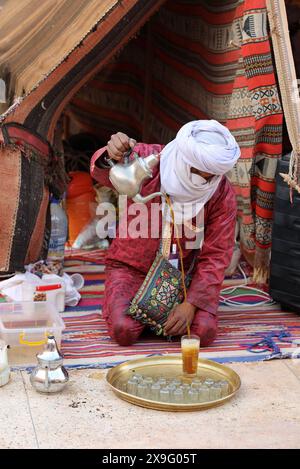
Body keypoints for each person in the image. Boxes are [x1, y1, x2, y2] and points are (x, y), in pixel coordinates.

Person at [90, 120, 240, 346]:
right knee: (124, 330)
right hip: (131, 270)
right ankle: (151, 320)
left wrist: (191, 304)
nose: (202, 180)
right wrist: (111, 153)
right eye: (198, 171)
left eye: (211, 175)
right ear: (184, 158)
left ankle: (157, 320)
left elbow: (217, 254)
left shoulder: (220, 192)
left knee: (203, 332)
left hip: (184, 277)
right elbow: (102, 173)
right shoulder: (148, 160)